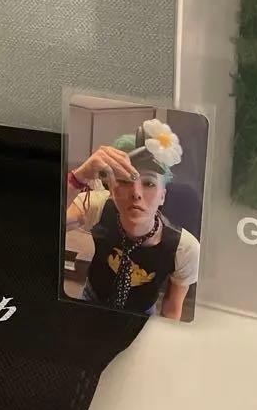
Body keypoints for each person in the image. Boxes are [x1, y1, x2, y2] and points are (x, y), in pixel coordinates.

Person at [65, 121, 199, 320]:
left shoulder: (185, 248)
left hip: (142, 314)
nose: (136, 193)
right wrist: (79, 177)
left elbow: (172, 308)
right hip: (92, 299)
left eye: (149, 183)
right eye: (125, 180)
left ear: (163, 196)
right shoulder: (98, 206)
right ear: (111, 189)